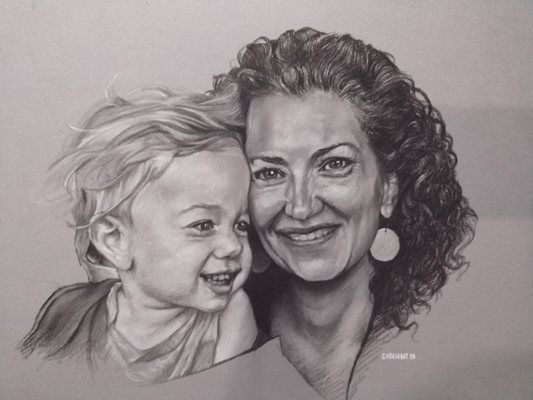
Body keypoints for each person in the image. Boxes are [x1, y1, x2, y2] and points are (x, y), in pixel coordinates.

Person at [213, 27, 478, 400]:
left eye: (334, 164)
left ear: (388, 188)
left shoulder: (441, 342)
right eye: (270, 173)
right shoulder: (211, 334)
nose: (301, 206)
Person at [19, 84, 258, 384]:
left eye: (241, 225)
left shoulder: (230, 321)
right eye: (203, 225)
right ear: (114, 241)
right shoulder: (69, 314)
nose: (232, 246)